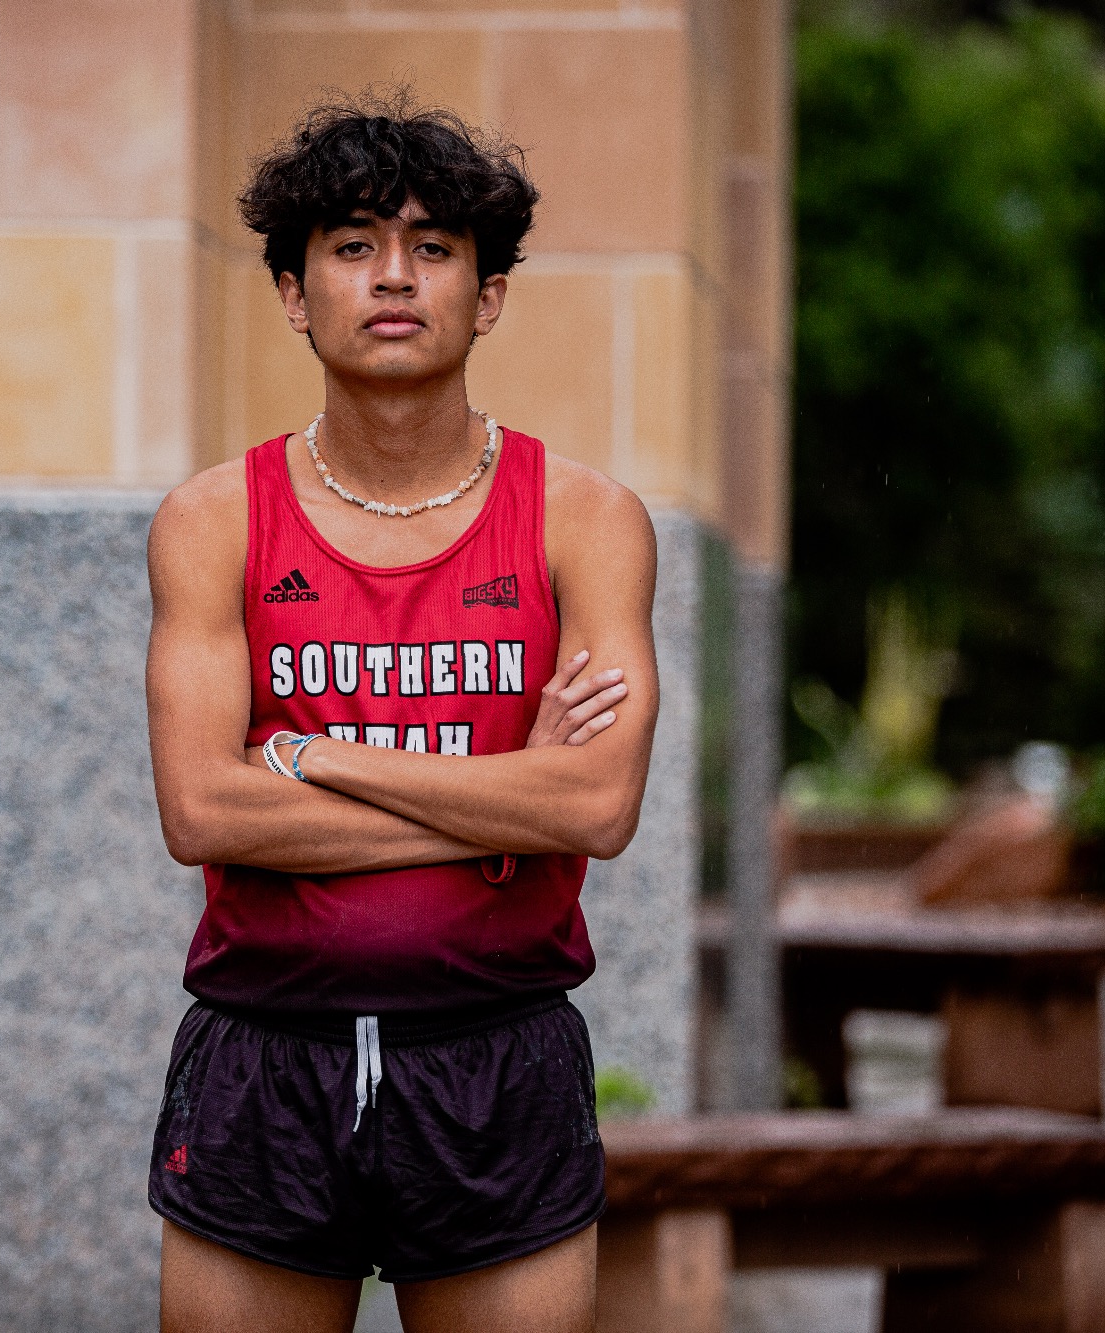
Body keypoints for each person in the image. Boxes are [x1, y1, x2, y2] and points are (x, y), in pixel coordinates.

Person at [143, 98, 659, 1333]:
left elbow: (594, 804)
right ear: (290, 288)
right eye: (351, 243)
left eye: (432, 248)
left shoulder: (580, 518)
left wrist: (313, 758)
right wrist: (500, 806)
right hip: (265, 1056)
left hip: (497, 1054)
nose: (392, 276)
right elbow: (203, 809)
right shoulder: (213, 520)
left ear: (484, 299)